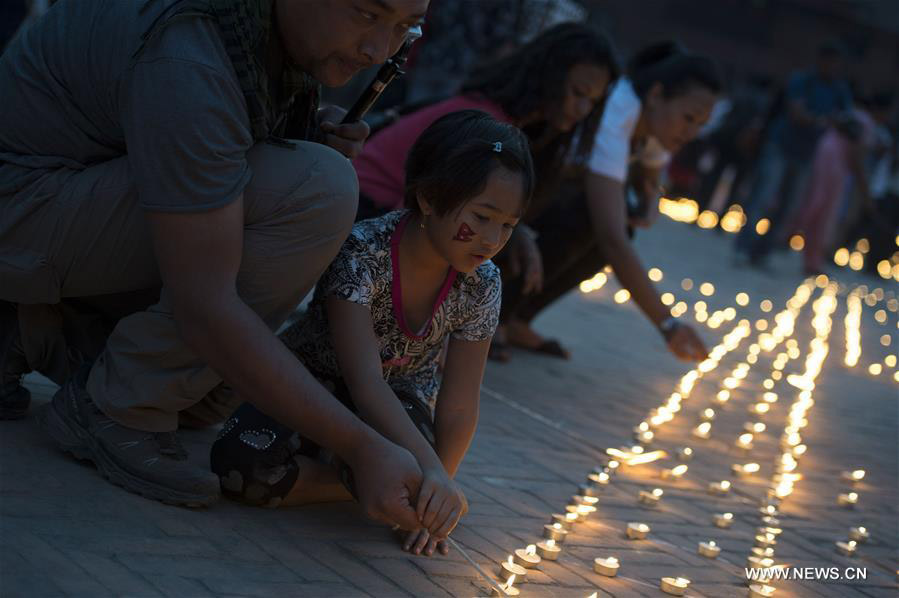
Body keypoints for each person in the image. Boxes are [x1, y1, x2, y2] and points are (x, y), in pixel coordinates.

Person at [0, 0, 434, 530]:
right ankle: (118, 407)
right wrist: (361, 447)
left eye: (402, 28)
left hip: (62, 210)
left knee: (204, 395)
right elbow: (204, 304)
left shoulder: (256, 28)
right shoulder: (193, 53)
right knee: (316, 188)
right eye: (367, 14)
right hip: (21, 214)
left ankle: (31, 331)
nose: (378, 50)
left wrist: (296, 135)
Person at [210, 111, 534, 557]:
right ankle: (363, 477)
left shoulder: (483, 283)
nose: (492, 238)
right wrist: (423, 474)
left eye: (508, 225)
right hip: (314, 385)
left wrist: (439, 483)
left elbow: (459, 404)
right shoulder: (362, 253)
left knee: (421, 464)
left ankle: (370, 476)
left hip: (401, 402)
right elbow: (363, 385)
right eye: (481, 217)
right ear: (427, 197)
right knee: (237, 464)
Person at [352, 23, 618, 358]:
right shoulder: (486, 124)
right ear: (548, 75)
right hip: (367, 209)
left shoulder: (524, 129)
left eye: (592, 102)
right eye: (577, 93)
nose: (582, 110)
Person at [500, 41, 721, 362]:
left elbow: (651, 171)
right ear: (657, 95)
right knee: (596, 221)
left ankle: (519, 317)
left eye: (701, 124)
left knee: (620, 224)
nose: (692, 132)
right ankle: (495, 313)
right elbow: (612, 239)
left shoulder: (650, 120)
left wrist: (649, 198)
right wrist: (668, 325)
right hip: (509, 204)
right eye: (688, 118)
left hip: (533, 202)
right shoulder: (617, 111)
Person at [734, 41, 852, 267]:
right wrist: (823, 121)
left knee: (789, 205)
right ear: (821, 60)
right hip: (780, 145)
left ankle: (762, 253)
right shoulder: (802, 80)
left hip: (806, 154)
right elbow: (796, 113)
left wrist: (826, 121)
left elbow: (845, 120)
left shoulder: (840, 90)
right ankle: (743, 245)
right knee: (763, 196)